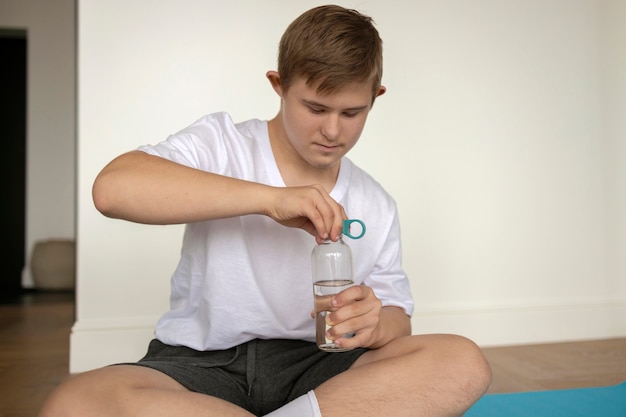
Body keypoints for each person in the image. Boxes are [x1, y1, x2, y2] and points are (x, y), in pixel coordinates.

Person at [39, 5, 491, 417]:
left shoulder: (376, 202)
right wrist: (270, 200)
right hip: (202, 366)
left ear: (376, 96)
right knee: (73, 405)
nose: (333, 130)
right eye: (315, 107)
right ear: (279, 85)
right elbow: (112, 189)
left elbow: (399, 318)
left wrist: (375, 323)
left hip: (320, 369)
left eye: (352, 112)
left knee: (462, 361)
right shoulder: (222, 144)